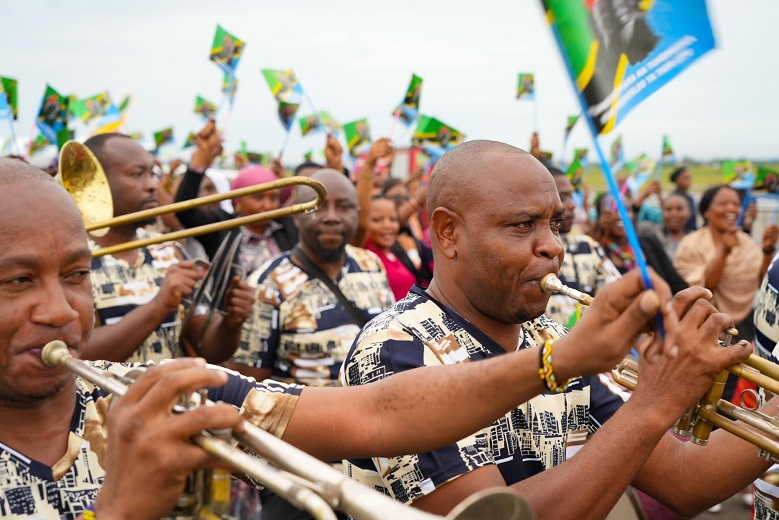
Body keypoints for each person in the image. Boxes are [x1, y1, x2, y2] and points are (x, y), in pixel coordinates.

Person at [0, 158, 667, 518]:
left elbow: (377, 413)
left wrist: (563, 357)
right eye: (17, 281)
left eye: (78, 275)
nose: (60, 311)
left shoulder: (147, 397)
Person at [340, 140, 770, 519]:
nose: (554, 246)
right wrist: (654, 403)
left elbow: (686, 479)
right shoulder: (395, 348)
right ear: (447, 232)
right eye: (522, 225)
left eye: (556, 224)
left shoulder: (553, 339)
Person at [80, 132, 254, 364]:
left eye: (152, 174)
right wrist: (159, 306)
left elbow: (207, 348)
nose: (152, 186)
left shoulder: (169, 252)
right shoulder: (73, 259)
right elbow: (77, 355)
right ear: (95, 182)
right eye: (137, 174)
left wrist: (232, 323)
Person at [225, 168, 395, 386]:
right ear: (296, 215)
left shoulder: (371, 264)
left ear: (358, 213)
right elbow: (249, 385)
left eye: (343, 207)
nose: (331, 217)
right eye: (318, 206)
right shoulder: (267, 285)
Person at [175, 120, 298, 272]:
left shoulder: (284, 227)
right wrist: (201, 156)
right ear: (238, 201)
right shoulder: (223, 227)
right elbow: (185, 212)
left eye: (273, 198)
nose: (267, 206)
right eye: (258, 198)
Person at [546, 166, 619, 328]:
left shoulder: (587, 246)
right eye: (562, 197)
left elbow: (618, 298)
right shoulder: (526, 253)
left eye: (571, 196)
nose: (572, 205)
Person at [594, 191, 688, 294]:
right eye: (612, 211)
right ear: (599, 218)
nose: (620, 215)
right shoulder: (596, 252)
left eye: (626, 210)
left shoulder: (648, 244)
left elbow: (678, 285)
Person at [364, 194, 418, 301]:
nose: (387, 225)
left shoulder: (395, 253)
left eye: (393, 219)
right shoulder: (364, 254)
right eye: (377, 220)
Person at [637, 193, 692, 261]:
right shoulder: (653, 233)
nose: (673, 214)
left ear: (689, 213)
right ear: (661, 213)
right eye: (668, 209)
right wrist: (640, 200)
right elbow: (631, 226)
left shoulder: (695, 238)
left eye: (679, 209)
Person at [669, 166, 697, 232]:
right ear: (676, 179)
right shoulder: (673, 199)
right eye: (685, 178)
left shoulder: (690, 198)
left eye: (689, 178)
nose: (688, 181)